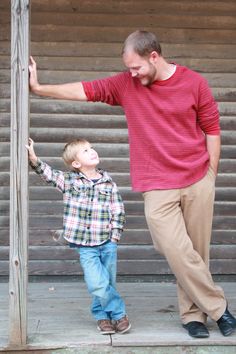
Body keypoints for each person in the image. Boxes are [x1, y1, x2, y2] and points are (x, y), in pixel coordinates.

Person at [29, 30, 236, 338]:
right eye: (128, 68)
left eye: (137, 67)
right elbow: (86, 90)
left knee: (196, 252)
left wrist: (211, 176)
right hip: (157, 184)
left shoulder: (194, 83)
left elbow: (212, 130)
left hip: (197, 178)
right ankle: (220, 309)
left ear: (154, 56)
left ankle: (193, 316)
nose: (132, 73)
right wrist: (40, 88)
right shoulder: (126, 85)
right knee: (176, 249)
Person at [26, 137, 131, 335]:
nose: (92, 151)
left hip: (107, 242)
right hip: (85, 245)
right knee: (97, 283)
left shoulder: (109, 183)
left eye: (92, 148)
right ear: (76, 163)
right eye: (85, 151)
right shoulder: (69, 181)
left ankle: (102, 318)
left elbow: (118, 210)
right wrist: (33, 157)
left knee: (107, 282)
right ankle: (118, 313)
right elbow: (48, 174)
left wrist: (115, 236)